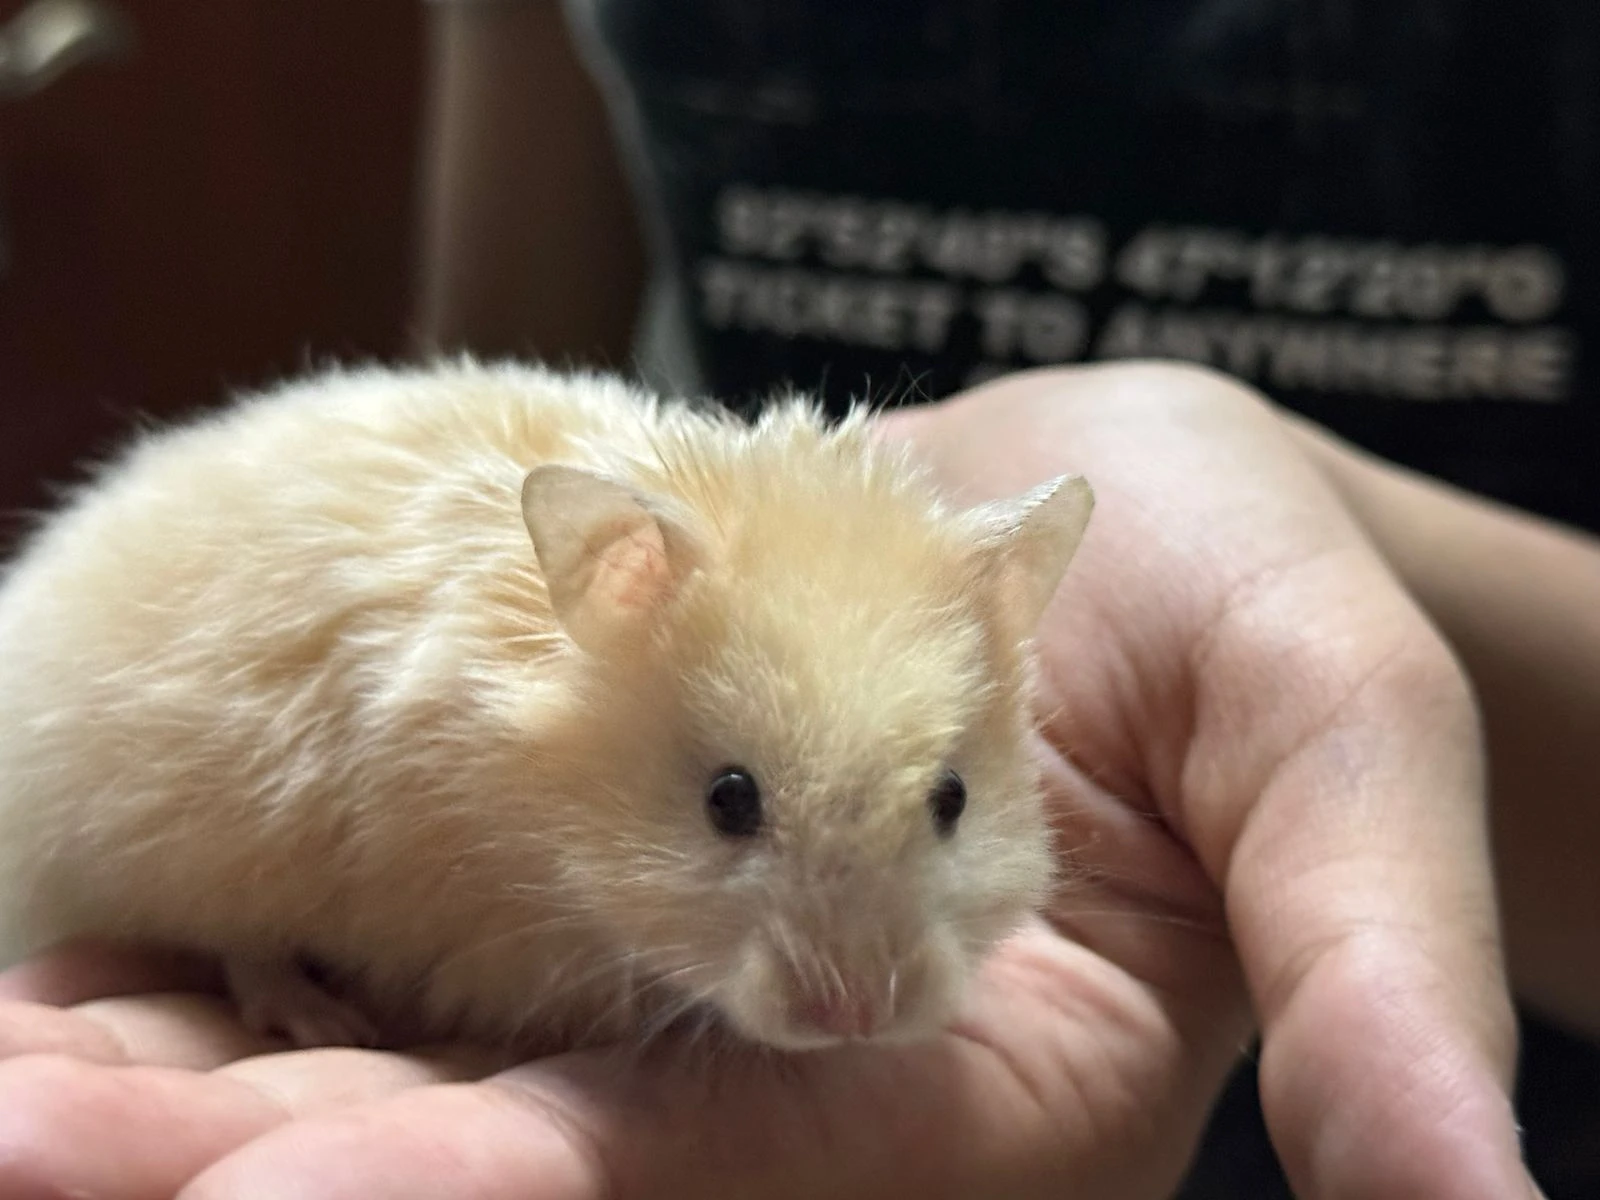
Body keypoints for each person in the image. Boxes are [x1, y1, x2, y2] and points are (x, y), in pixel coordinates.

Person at [0, 5, 1595, 1199]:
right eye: (734, 803)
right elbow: (487, 325)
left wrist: (1352, 535)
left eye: (949, 801)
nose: (857, 994)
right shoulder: (512, 718)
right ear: (610, 595)